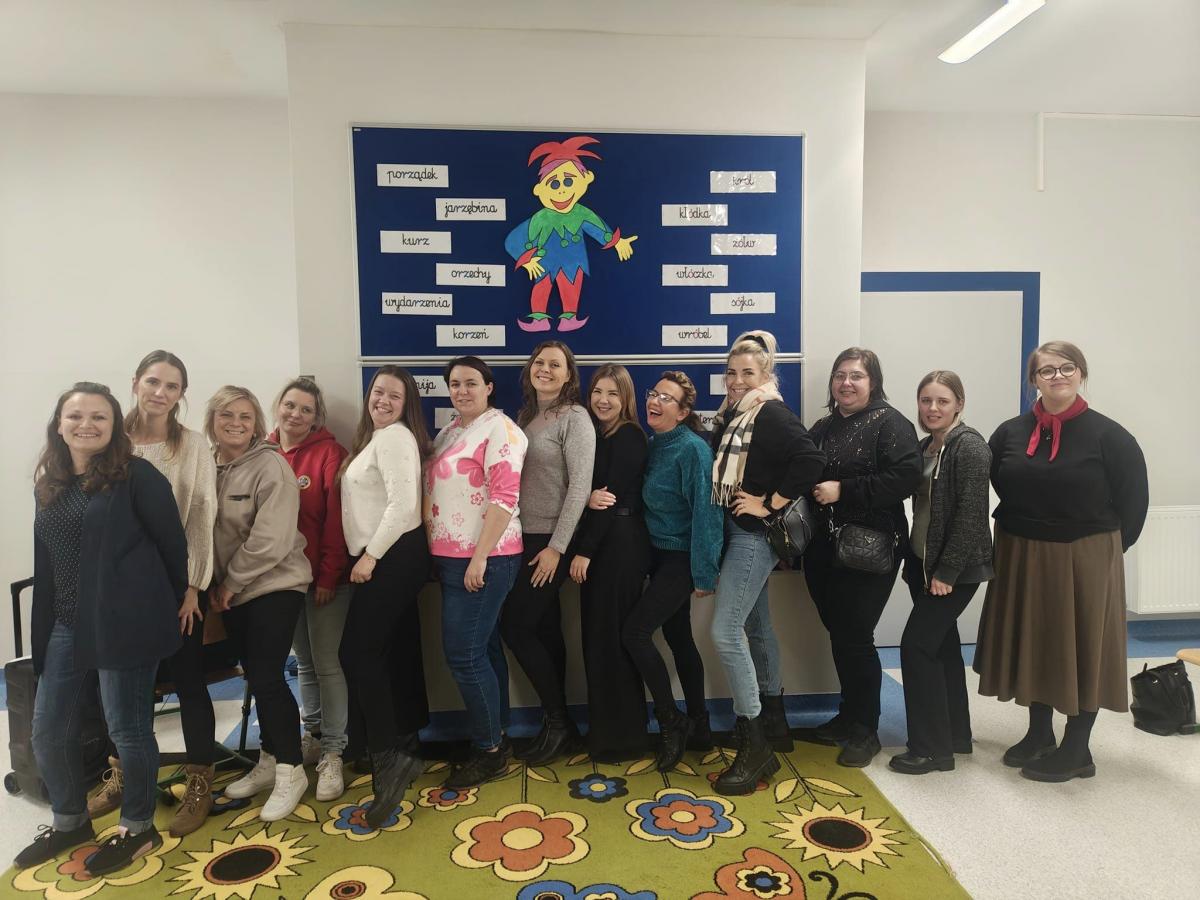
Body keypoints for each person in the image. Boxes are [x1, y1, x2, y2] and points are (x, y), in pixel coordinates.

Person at [17, 383, 187, 874]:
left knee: (127, 731)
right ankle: (70, 821)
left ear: (115, 426)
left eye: (99, 417)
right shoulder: (49, 482)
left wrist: (159, 604)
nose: (86, 425)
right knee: (48, 731)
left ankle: (138, 827)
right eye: (75, 416)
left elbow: (173, 547)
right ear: (59, 423)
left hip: (124, 622)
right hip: (66, 622)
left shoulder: (137, 476)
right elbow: (49, 560)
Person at [975, 341, 1147, 782]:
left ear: (1081, 373)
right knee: (1035, 641)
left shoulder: (1111, 436)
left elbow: (1134, 504)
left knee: (1082, 645)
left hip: (1085, 554)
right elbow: (999, 482)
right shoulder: (1009, 432)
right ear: (1033, 380)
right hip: (1021, 550)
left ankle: (1077, 748)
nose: (1057, 377)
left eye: (1066, 368)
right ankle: (1039, 734)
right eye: (1046, 370)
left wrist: (1100, 555)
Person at [102, 351, 217, 838]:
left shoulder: (192, 445)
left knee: (189, 680)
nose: (160, 393)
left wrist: (192, 586)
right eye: (153, 382)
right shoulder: (112, 440)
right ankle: (125, 776)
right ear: (135, 383)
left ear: (181, 394)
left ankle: (199, 783)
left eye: (172, 386)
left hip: (177, 584)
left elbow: (202, 515)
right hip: (119, 587)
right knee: (125, 686)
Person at [708, 332, 825, 794]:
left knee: (725, 631)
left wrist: (770, 503)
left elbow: (810, 459)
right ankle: (775, 723)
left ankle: (754, 742)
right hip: (737, 531)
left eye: (747, 373)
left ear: (766, 375)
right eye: (731, 372)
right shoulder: (734, 414)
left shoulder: (770, 412)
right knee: (756, 626)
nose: (737, 380)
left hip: (754, 537)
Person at [804, 348, 921, 768]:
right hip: (823, 550)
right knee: (841, 635)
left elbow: (905, 477)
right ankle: (848, 716)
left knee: (856, 637)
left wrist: (844, 490)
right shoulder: (823, 426)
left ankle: (866, 730)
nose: (846, 383)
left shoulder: (890, 423)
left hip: (869, 550)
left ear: (873, 382)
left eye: (856, 376)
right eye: (840, 375)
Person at [207, 386, 313, 821]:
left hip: (275, 584)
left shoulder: (271, 466)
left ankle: (292, 769)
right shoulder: (207, 466)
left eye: (245, 416)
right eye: (226, 415)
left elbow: (271, 539)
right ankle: (269, 758)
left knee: (268, 676)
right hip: (230, 590)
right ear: (212, 420)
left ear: (256, 424)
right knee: (255, 675)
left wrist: (229, 583)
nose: (235, 423)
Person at [426, 357, 528, 787]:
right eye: (454, 384)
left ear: (489, 387)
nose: (461, 391)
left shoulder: (501, 430)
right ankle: (496, 735)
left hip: (486, 557)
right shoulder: (450, 431)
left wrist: (480, 557)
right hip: (451, 558)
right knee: (482, 649)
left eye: (471, 383)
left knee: (464, 656)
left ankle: (489, 752)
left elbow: (504, 498)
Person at [338, 366, 433, 827]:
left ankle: (388, 760)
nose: (384, 400)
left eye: (395, 395)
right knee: (392, 652)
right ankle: (403, 742)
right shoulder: (376, 439)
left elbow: (402, 505)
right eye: (379, 392)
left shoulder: (395, 437)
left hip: (390, 556)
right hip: (389, 556)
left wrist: (370, 556)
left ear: (406, 404)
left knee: (357, 653)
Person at [889, 371, 994, 775]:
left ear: (959, 404)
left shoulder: (969, 447)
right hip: (924, 566)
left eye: (942, 401)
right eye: (926, 400)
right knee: (943, 648)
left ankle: (931, 750)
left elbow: (971, 515)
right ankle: (955, 736)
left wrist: (947, 571)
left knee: (916, 647)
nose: (932, 409)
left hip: (955, 570)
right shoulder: (927, 446)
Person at [499, 341, 595, 765]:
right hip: (522, 537)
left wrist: (558, 548)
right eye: (540, 362)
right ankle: (560, 727)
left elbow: (580, 487)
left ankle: (558, 722)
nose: (546, 369)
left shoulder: (575, 418)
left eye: (556, 365)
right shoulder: (526, 418)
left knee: (516, 627)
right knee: (545, 630)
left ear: (569, 375)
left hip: (552, 540)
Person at [621, 371, 722, 772]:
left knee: (635, 633)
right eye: (654, 394)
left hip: (682, 558)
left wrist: (704, 573)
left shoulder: (693, 450)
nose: (656, 401)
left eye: (667, 398)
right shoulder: (653, 445)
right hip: (658, 556)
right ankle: (700, 725)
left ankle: (670, 721)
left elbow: (707, 513)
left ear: (682, 413)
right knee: (679, 638)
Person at [269, 377, 351, 802]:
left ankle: (334, 751)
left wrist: (329, 576)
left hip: (323, 580)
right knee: (302, 662)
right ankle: (314, 735)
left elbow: (337, 519)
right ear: (278, 406)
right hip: (281, 582)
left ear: (316, 417)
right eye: (290, 405)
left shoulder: (329, 454)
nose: (295, 415)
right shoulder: (262, 452)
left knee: (327, 663)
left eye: (306, 409)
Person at [568, 365, 652, 762]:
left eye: (612, 394)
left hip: (618, 547)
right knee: (598, 641)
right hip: (605, 544)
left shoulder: (629, 435)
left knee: (612, 641)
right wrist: (585, 498)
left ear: (626, 399)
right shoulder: (598, 435)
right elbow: (592, 495)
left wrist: (585, 550)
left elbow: (609, 499)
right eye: (598, 392)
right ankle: (605, 733)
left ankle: (624, 739)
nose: (603, 400)